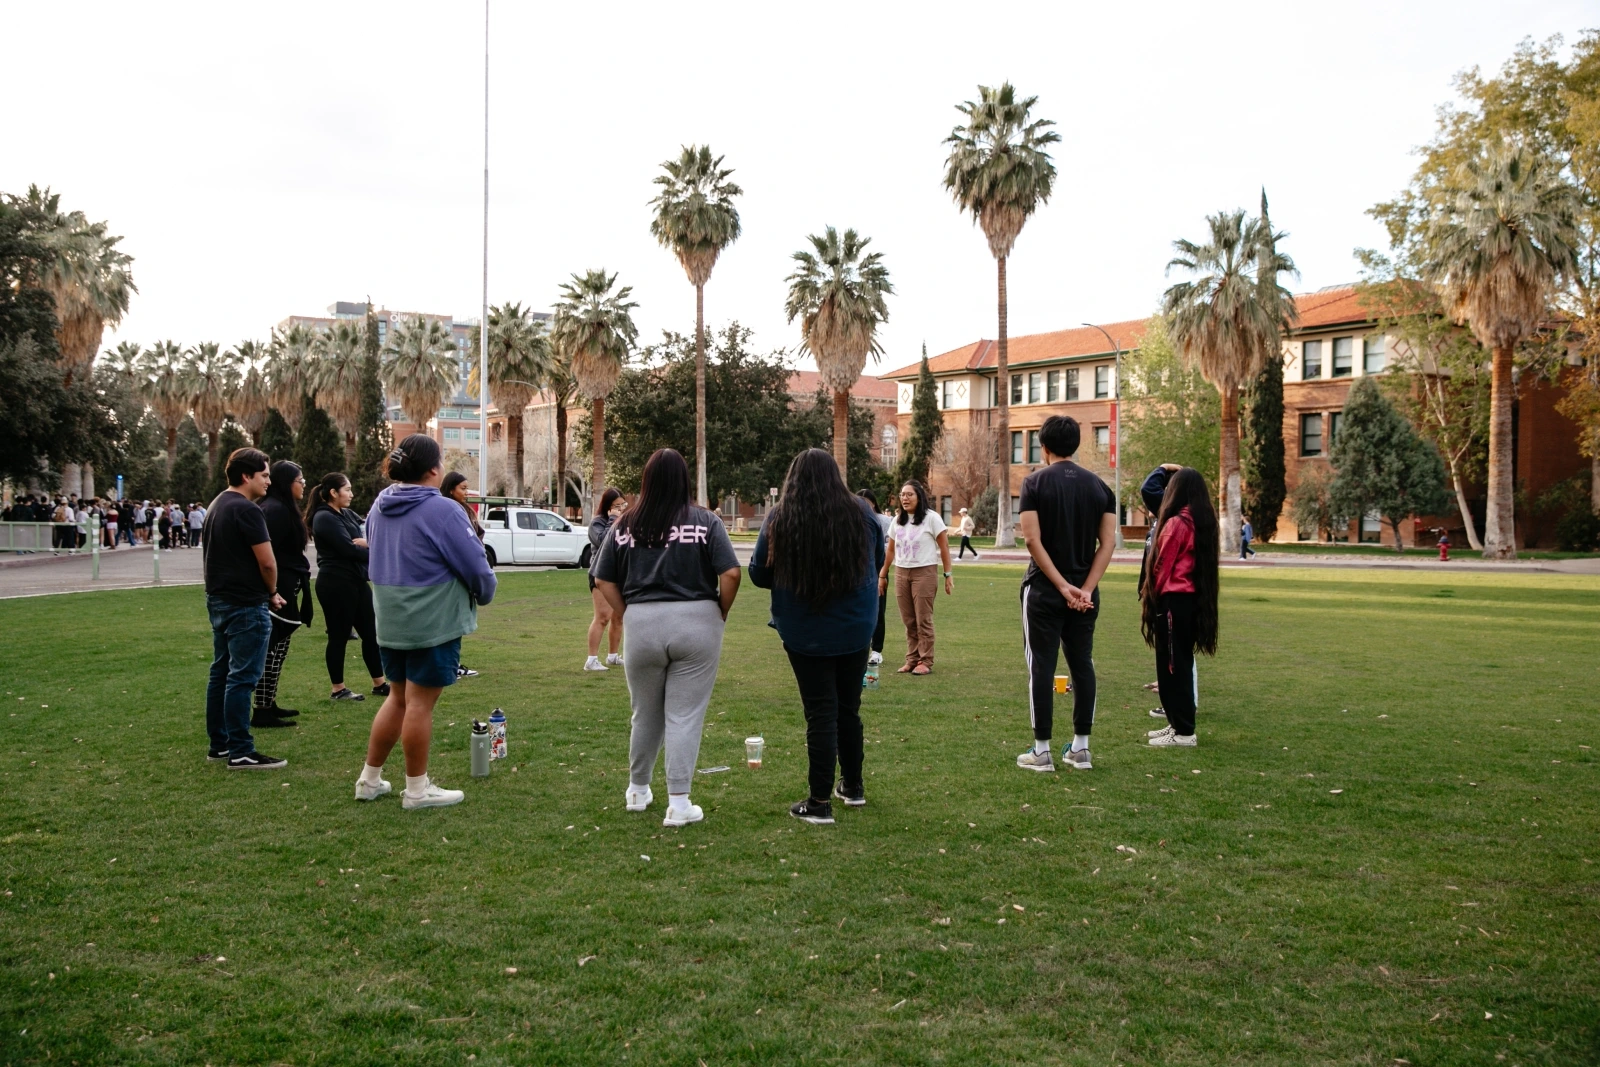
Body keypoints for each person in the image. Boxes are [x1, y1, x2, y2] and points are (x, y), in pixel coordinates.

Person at [593, 448, 740, 828]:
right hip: (696, 620)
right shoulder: (705, 520)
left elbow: (602, 577)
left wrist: (626, 612)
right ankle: (679, 802)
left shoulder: (624, 523)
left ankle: (637, 791)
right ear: (684, 480)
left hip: (642, 622)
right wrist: (720, 610)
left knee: (644, 713)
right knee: (684, 715)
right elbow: (732, 574)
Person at [358, 434, 497, 810]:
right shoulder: (444, 510)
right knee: (419, 704)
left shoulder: (378, 506)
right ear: (434, 469)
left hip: (390, 620)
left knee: (398, 698)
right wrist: (486, 593)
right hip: (432, 620)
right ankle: (417, 791)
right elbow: (476, 567)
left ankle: (369, 780)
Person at [750, 449, 885, 825]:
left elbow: (760, 574)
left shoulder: (781, 516)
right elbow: (876, 559)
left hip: (805, 630)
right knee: (847, 708)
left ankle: (820, 801)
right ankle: (853, 786)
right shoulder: (861, 512)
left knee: (822, 710)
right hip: (856, 625)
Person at [1015, 415, 1117, 773]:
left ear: (1044, 447)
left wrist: (1061, 586)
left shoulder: (1034, 483)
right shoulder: (1101, 488)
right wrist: (1085, 588)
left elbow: (1031, 540)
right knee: (1081, 665)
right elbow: (1108, 544)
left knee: (1041, 667)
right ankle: (1081, 749)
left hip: (1044, 590)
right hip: (1085, 594)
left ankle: (1041, 751)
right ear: (1075, 444)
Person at [201, 448, 288, 770]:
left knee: (221, 673)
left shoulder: (217, 505)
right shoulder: (247, 510)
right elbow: (267, 562)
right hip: (244, 604)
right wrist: (273, 592)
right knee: (241, 678)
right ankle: (240, 750)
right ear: (246, 476)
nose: (269, 481)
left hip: (219, 599)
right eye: (264, 475)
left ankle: (220, 744)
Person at [1142, 467, 1220, 748]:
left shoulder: (1177, 523)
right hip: (1189, 601)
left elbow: (1162, 564)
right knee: (1178, 664)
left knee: (1173, 666)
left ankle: (1184, 731)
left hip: (1173, 600)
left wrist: (1149, 594)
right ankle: (1176, 723)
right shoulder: (1203, 521)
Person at [307, 473, 388, 702]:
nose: (352, 494)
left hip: (356, 581)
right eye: (347, 490)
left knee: (371, 634)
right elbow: (348, 549)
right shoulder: (324, 517)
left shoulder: (347, 514)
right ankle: (338, 689)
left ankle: (379, 683)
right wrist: (376, 553)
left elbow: (370, 535)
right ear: (333, 492)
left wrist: (368, 544)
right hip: (336, 583)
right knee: (339, 636)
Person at [253, 462, 310, 728]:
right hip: (279, 588)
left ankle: (269, 701)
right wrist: (272, 590)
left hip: (287, 584)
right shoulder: (273, 510)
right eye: (300, 480)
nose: (303, 484)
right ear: (288, 482)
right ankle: (262, 708)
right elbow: (267, 555)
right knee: (272, 649)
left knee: (279, 648)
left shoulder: (282, 508)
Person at [878, 480, 952, 675]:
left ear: (919, 497)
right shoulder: (897, 520)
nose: (905, 498)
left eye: (909, 494)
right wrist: (882, 574)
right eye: (902, 494)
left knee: (923, 620)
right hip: (901, 572)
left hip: (924, 573)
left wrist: (948, 574)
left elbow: (944, 547)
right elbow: (891, 550)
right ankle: (911, 659)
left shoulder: (932, 518)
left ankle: (925, 661)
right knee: (909, 620)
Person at [439, 471, 485, 679]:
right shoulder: (449, 511)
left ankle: (452, 663)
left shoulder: (465, 510)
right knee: (449, 622)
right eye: (462, 488)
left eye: (467, 488)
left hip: (465, 572)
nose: (466, 493)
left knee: (456, 622)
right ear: (451, 489)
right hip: (452, 575)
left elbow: (478, 534)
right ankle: (450, 665)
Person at [585, 486, 627, 671]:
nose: (620, 509)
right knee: (602, 617)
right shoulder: (597, 523)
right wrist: (612, 520)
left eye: (622, 505)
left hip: (620, 575)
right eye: (616, 506)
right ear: (607, 507)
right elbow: (603, 541)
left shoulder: (624, 522)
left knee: (619, 617)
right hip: (601, 574)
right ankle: (591, 660)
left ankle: (612, 656)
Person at [857, 489, 891, 667]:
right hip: (855, 573)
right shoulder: (851, 519)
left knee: (878, 610)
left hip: (877, 570)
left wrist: (882, 573)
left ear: (873, 503)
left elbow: (888, 547)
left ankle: (876, 650)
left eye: (866, 502)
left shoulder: (883, 521)